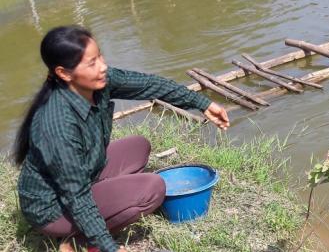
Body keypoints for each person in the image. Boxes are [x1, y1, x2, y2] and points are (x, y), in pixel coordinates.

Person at [13, 25, 230, 252]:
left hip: (81, 176)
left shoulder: (98, 83)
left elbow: (150, 85)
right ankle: (77, 242)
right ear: (63, 73)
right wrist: (108, 247)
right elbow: (76, 196)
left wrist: (202, 104)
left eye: (100, 57)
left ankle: (101, 205)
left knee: (138, 147)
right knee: (152, 189)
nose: (102, 67)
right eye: (91, 63)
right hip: (53, 208)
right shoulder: (56, 123)